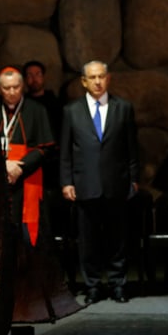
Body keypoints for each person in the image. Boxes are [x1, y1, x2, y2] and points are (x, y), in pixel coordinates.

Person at [0, 66, 77, 321]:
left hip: (28, 181)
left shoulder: (37, 111)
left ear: (22, 87)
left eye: (16, 87)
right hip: (0, 182)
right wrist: (3, 165)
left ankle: (36, 296)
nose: (12, 92)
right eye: (7, 88)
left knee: (31, 241)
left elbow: (46, 147)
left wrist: (21, 166)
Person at [60, 60, 139, 304]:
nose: (97, 81)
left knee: (117, 238)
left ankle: (118, 284)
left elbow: (132, 149)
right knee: (88, 239)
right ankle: (92, 285)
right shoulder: (71, 111)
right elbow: (66, 151)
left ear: (109, 78)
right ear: (83, 81)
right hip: (85, 184)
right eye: (92, 77)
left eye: (101, 76)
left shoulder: (123, 108)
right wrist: (67, 182)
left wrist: (134, 179)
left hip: (116, 183)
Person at [23, 60, 62, 190]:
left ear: (43, 77)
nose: (34, 79)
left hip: (54, 159)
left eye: (37, 74)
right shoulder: (22, 105)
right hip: (31, 157)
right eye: (29, 75)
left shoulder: (56, 103)